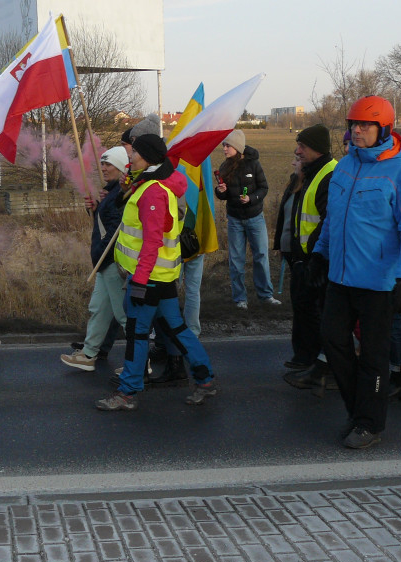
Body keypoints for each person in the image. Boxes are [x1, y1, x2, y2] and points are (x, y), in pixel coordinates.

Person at [309, 96, 401, 449]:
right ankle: (359, 409)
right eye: (353, 125)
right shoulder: (345, 165)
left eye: (365, 126)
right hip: (341, 278)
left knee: (374, 357)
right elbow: (333, 218)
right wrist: (319, 254)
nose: (356, 131)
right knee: (332, 339)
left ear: (384, 129)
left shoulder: (399, 172)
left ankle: (370, 424)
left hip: (378, 283)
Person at [96, 134, 217, 411]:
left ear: (148, 157)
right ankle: (205, 379)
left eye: (134, 153)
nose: (130, 157)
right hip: (160, 277)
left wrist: (138, 281)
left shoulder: (153, 191)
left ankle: (127, 393)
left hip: (148, 279)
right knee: (178, 329)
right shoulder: (151, 184)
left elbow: (153, 240)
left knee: (137, 334)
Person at [61, 147, 129, 371]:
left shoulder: (120, 193)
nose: (104, 168)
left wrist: (101, 255)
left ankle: (138, 362)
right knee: (99, 308)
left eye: (109, 164)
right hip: (104, 261)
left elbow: (115, 230)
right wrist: (96, 209)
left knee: (124, 315)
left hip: (112, 261)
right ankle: (89, 354)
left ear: (121, 168)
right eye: (102, 164)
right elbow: (105, 222)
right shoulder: (110, 193)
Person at [280, 125, 337, 392]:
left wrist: (314, 256)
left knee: (325, 315)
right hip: (306, 257)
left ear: (317, 148)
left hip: (321, 260)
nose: (297, 150)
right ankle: (311, 360)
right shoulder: (313, 173)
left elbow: (328, 221)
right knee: (306, 308)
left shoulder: (329, 174)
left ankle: (327, 369)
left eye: (302, 146)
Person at [214, 129, 280, 309]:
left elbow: (263, 188)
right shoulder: (224, 167)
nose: (224, 149)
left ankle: (266, 295)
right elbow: (224, 195)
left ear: (237, 147)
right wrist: (220, 191)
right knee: (236, 260)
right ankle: (240, 299)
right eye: (223, 145)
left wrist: (251, 199)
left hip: (255, 217)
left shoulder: (254, 164)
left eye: (227, 145)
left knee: (261, 256)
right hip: (234, 219)